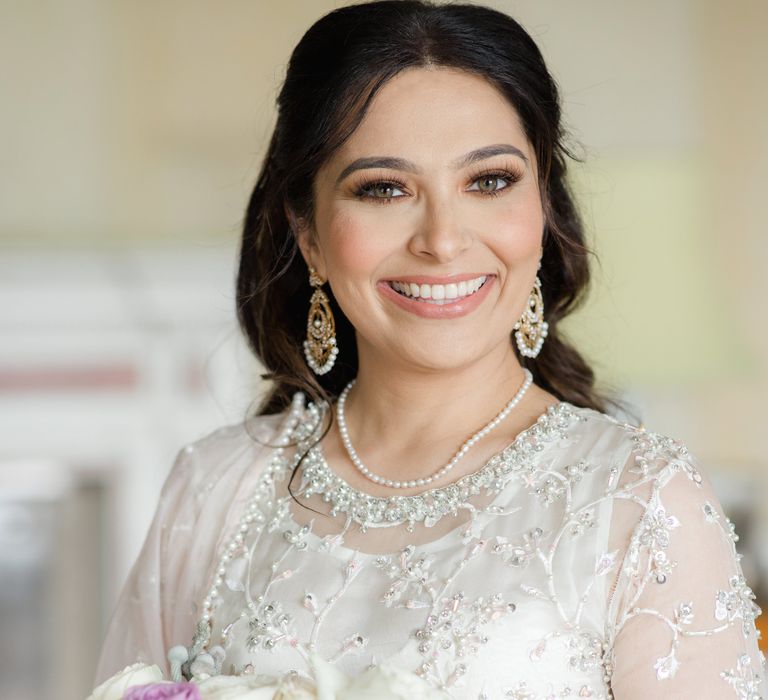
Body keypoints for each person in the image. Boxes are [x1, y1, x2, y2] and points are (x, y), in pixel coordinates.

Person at [94, 1, 767, 697]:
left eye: (490, 181)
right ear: (309, 233)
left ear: (543, 208)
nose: (442, 239)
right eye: (384, 189)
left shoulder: (641, 499)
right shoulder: (212, 488)